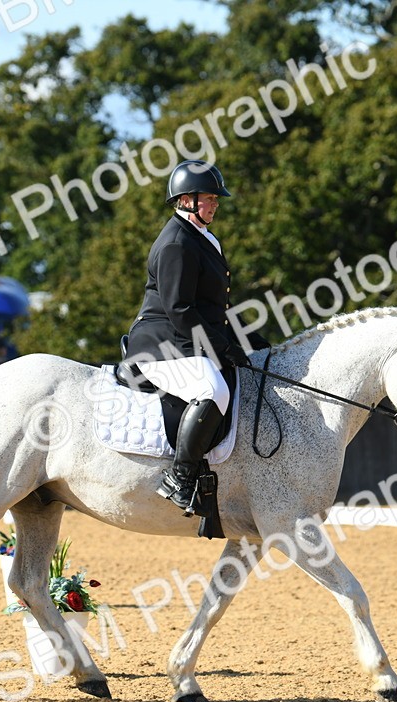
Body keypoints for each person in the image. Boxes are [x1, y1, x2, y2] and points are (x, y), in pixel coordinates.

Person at [122, 159, 267, 513]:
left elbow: (212, 306)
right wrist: (222, 348)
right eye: (210, 198)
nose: (216, 203)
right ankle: (180, 478)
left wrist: (247, 339)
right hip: (160, 344)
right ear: (186, 199)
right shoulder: (176, 243)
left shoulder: (203, 237)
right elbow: (180, 309)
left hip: (185, 339)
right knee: (211, 389)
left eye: (216, 198)